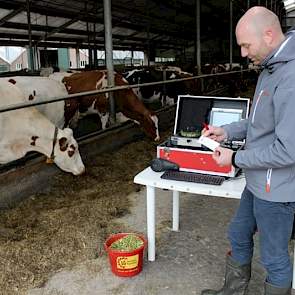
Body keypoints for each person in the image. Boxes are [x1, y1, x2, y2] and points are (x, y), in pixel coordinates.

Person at [201, 6, 295, 295]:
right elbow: (259, 121)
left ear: (268, 34)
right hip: (257, 182)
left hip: (276, 189)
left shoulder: (291, 77)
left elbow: (288, 151)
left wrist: (236, 158)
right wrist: (227, 131)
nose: (242, 53)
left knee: (274, 257)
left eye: (245, 45)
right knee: (238, 233)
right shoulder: (270, 66)